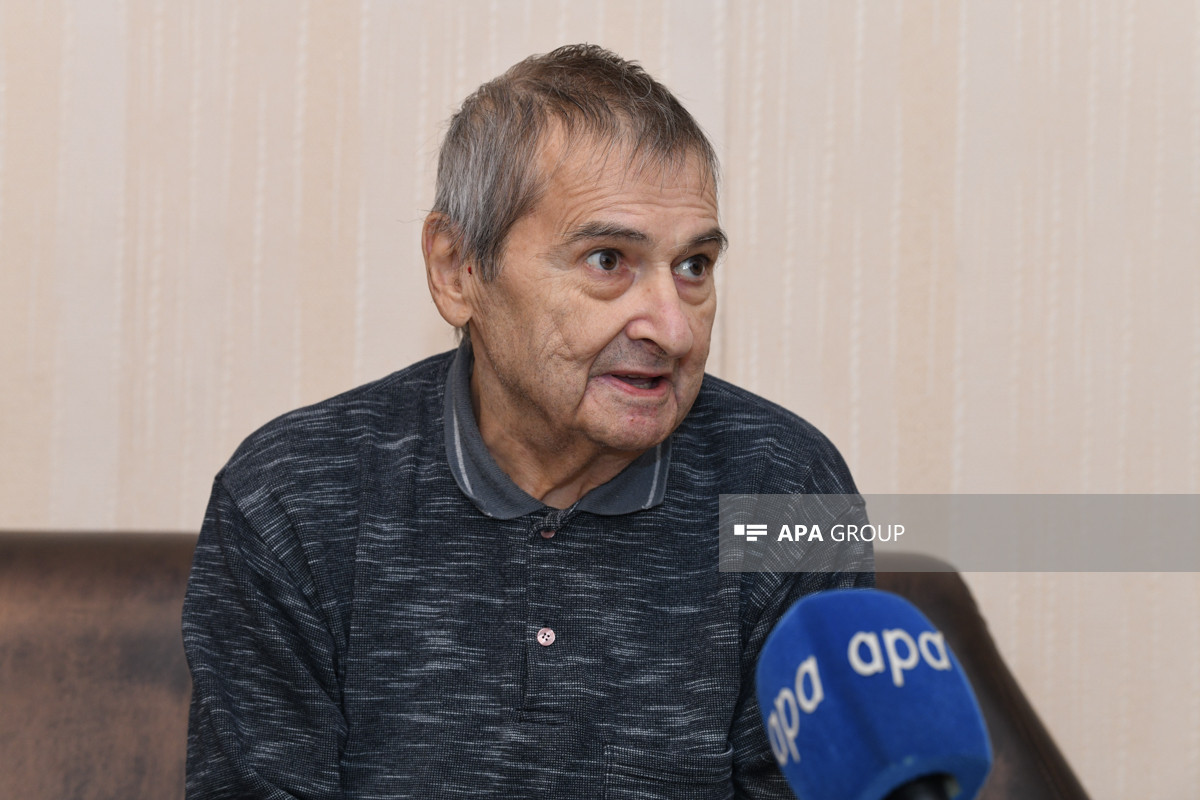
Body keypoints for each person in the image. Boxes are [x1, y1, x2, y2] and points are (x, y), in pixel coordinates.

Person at [183, 44, 872, 799]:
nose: (674, 330)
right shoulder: (291, 499)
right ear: (457, 269)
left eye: (693, 266)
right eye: (607, 260)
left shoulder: (788, 490)